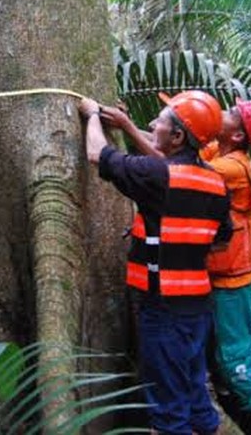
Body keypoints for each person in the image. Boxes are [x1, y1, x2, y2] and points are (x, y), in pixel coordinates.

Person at [80, 91, 232, 435]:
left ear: (177, 137)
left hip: (164, 309)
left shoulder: (157, 175)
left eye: (160, 121)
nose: (153, 125)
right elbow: (221, 236)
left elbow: (97, 154)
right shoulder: (216, 183)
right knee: (194, 392)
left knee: (168, 407)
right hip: (198, 308)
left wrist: (91, 115)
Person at [199, 99, 251, 435]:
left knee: (235, 355)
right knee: (214, 353)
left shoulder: (233, 167)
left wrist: (129, 130)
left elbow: (174, 168)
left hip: (233, 282)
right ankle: (232, 409)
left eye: (232, 115)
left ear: (238, 135)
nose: (223, 113)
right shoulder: (217, 148)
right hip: (215, 276)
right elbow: (171, 147)